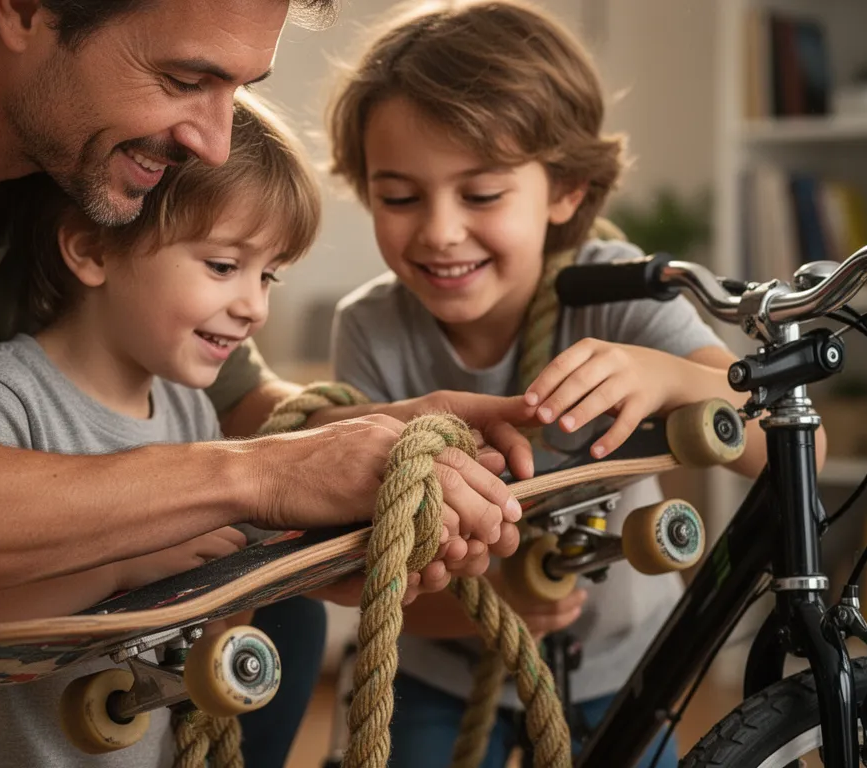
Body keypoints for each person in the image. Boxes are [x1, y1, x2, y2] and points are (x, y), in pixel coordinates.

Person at [0, 0, 531, 764]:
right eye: (186, 78)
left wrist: (388, 448)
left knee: (286, 621)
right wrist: (263, 476)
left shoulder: (91, 151)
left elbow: (242, 407)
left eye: (239, 90)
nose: (215, 145)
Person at [324, 1, 788, 765]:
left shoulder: (619, 294)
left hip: (618, 670)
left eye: (480, 194)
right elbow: (371, 566)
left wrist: (669, 376)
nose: (439, 230)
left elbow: (790, 445)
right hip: (436, 672)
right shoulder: (371, 330)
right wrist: (491, 610)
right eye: (399, 196)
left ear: (566, 189)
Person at [0, 94, 333, 768]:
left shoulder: (190, 412)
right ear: (92, 249)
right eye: (223, 267)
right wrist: (121, 562)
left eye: (268, 276)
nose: (253, 307)